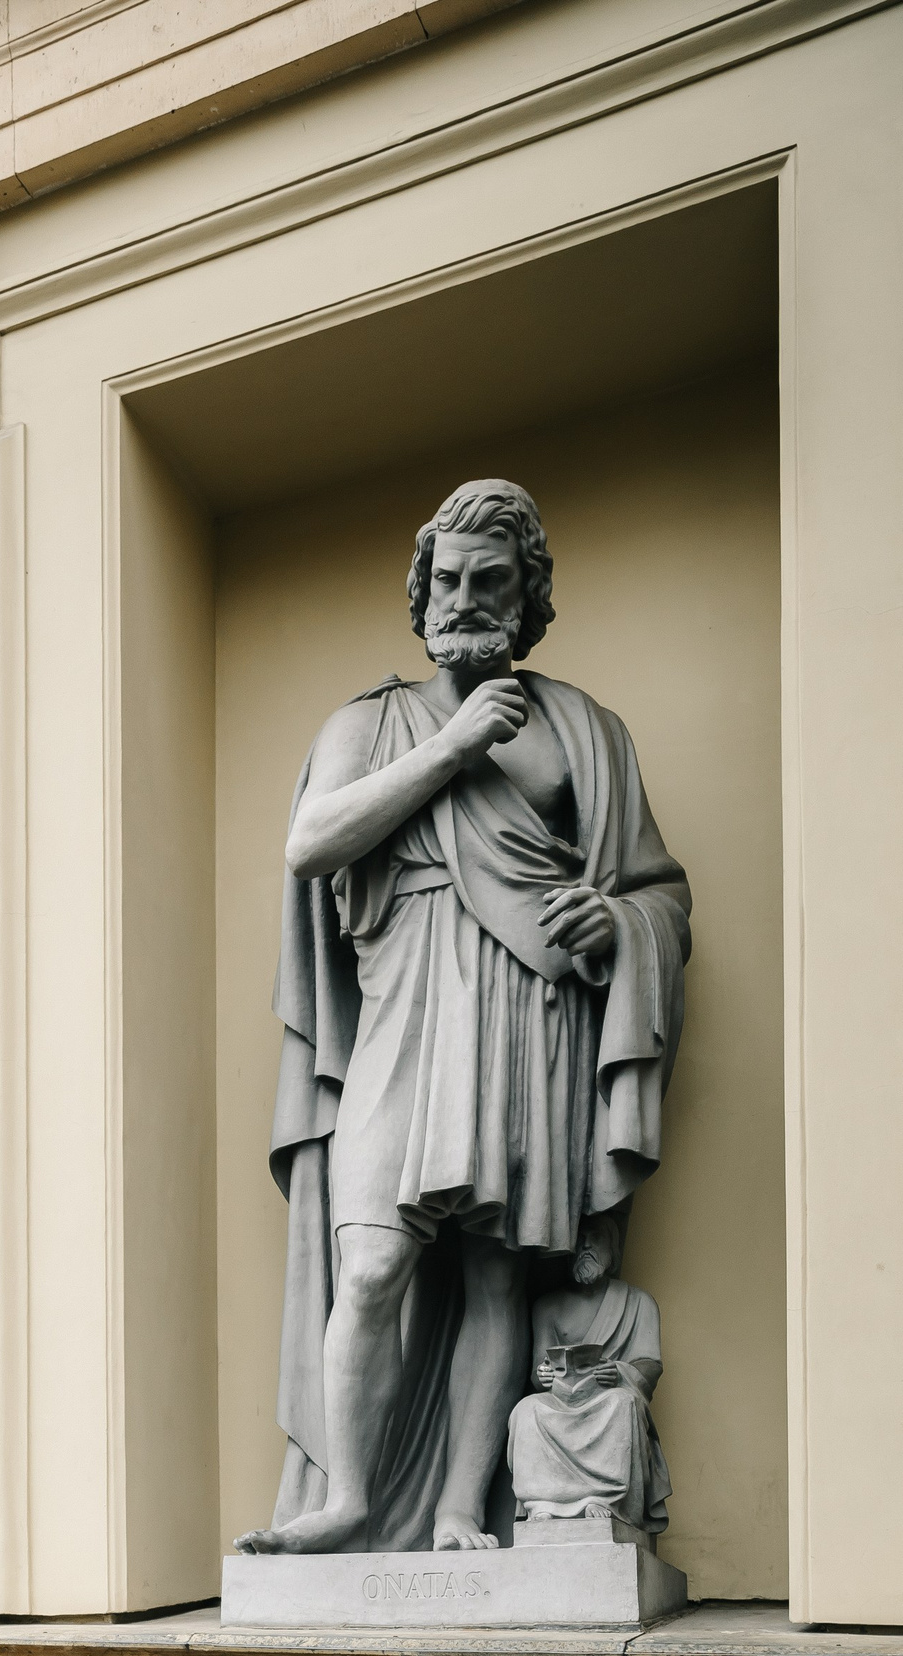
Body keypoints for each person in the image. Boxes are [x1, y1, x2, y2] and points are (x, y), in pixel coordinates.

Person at [239, 478, 690, 1558]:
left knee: (497, 1278)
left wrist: (616, 922)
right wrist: (452, 747)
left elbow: (658, 894)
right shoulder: (369, 723)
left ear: (527, 596)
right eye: (448, 579)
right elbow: (312, 843)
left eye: (492, 580)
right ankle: (349, 1499)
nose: (466, 598)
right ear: (422, 588)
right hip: (403, 1012)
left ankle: (455, 1509)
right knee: (371, 1267)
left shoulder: (582, 731)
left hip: (529, 1014)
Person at [507, 1209, 671, 1532]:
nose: (584, 1246)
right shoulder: (547, 1307)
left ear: (612, 1248)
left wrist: (618, 1373)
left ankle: (606, 1499)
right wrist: (545, 1375)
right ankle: (544, 1502)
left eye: (594, 1238)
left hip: (606, 1397)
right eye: (578, 1239)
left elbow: (650, 1366)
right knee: (526, 1410)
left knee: (622, 1404)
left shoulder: (639, 1303)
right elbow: (539, 1371)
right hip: (562, 1399)